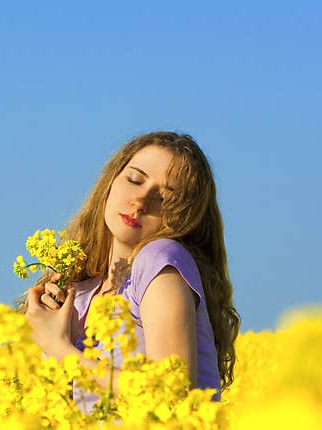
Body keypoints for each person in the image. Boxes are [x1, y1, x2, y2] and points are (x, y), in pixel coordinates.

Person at [19, 130, 239, 409]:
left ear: (184, 218)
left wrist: (59, 349)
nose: (141, 201)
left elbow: (171, 395)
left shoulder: (160, 261)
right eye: (134, 179)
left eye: (166, 198)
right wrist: (46, 341)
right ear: (111, 180)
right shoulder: (81, 292)